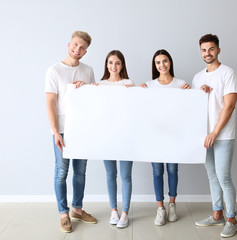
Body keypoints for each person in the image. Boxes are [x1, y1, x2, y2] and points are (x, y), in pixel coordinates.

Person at [45, 31, 97, 233]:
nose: (78, 50)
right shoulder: (54, 71)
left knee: (80, 172)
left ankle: (77, 209)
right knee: (61, 172)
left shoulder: (88, 70)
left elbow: (93, 100)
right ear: (69, 44)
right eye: (75, 45)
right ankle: (63, 214)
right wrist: (55, 132)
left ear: (86, 51)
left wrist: (85, 89)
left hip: (82, 130)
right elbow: (50, 102)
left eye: (82, 47)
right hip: (63, 131)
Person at [192, 34, 237, 238]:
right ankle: (217, 214)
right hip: (204, 137)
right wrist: (198, 93)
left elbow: (229, 106)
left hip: (222, 136)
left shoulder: (228, 73)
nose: (207, 53)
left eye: (211, 49)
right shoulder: (197, 77)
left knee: (224, 178)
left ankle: (231, 219)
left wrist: (214, 133)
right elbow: (194, 107)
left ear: (218, 50)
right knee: (212, 177)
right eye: (204, 50)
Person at [139, 49, 190, 226]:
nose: (162, 65)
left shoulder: (180, 83)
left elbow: (188, 108)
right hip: (155, 136)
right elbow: (141, 109)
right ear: (155, 65)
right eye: (158, 62)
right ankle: (160, 208)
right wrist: (138, 92)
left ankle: (172, 205)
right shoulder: (149, 85)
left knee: (173, 170)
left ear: (170, 63)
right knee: (157, 172)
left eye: (165, 61)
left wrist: (189, 93)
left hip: (174, 136)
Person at [92, 50, 134, 228]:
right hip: (106, 137)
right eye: (110, 63)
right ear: (106, 65)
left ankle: (125, 213)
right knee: (110, 175)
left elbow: (135, 109)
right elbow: (94, 107)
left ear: (122, 65)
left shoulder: (129, 83)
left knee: (125, 176)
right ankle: (113, 211)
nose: (113, 66)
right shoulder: (99, 85)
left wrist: (135, 92)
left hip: (125, 136)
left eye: (117, 63)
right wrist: (87, 89)